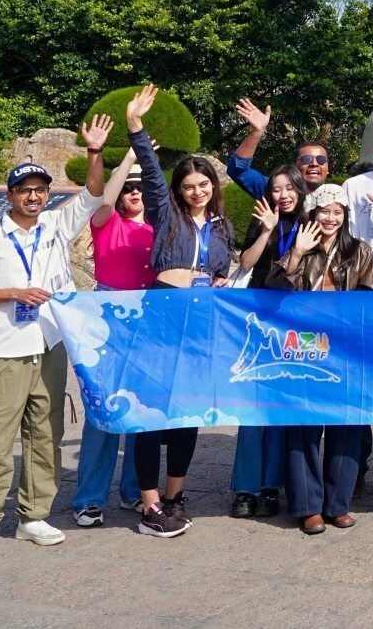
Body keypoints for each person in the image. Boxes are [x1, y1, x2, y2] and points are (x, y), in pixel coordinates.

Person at [0, 116, 111, 559]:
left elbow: (94, 195)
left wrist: (95, 152)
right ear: (11, 195)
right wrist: (11, 292)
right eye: (25, 190)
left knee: (45, 434)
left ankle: (33, 516)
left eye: (40, 190)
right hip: (4, 348)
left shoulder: (56, 227)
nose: (34, 196)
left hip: (49, 345)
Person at [128, 84, 234, 537]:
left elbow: (224, 268)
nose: (196, 191)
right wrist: (136, 125)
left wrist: (222, 278)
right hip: (164, 315)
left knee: (188, 411)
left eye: (203, 184)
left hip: (201, 322)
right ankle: (149, 503)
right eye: (189, 186)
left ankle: (175, 494)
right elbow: (152, 176)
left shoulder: (223, 225)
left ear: (213, 187)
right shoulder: (166, 215)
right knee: (153, 410)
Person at [269, 184, 373, 534]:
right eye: (324, 211)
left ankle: (337, 503)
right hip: (305, 347)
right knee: (304, 427)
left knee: (346, 426)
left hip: (345, 347)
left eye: (337, 212)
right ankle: (307, 506)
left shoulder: (359, 251)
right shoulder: (300, 246)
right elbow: (273, 291)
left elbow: (368, 297)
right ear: (312, 214)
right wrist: (297, 254)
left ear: (345, 217)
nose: (330, 218)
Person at [71, 145, 150, 529]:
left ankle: (134, 491)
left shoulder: (159, 229)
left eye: (142, 188)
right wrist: (129, 163)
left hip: (147, 321)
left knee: (139, 409)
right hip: (105, 320)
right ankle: (88, 498)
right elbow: (103, 199)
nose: (135, 193)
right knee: (101, 411)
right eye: (130, 189)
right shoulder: (106, 223)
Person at [227, 165, 308, 519]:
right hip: (260, 320)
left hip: (294, 322)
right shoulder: (262, 218)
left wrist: (299, 250)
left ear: (301, 190)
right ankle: (246, 488)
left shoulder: (310, 223)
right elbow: (245, 263)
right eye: (277, 189)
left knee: (280, 411)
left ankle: (272, 486)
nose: (283, 195)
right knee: (252, 410)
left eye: (290, 188)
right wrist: (266, 232)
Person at [226, 96, 331, 196]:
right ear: (294, 166)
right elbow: (238, 171)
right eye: (306, 159)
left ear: (328, 168)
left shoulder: (338, 199)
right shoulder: (277, 192)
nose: (314, 164)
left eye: (321, 159)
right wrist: (257, 132)